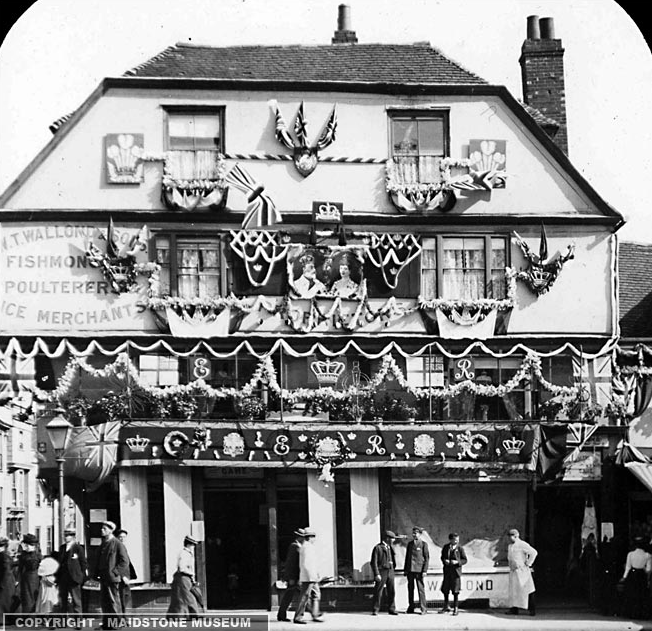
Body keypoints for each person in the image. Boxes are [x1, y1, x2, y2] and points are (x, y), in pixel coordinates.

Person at [94, 520, 129, 629]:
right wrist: (96, 573)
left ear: (110, 530)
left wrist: (115, 572)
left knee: (114, 602)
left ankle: (117, 624)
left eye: (104, 529)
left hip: (112, 578)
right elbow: (99, 560)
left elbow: (125, 562)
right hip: (103, 577)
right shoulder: (103, 543)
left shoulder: (117, 544)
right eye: (102, 528)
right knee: (105, 603)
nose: (102, 530)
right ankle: (107, 624)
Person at [167, 535, 202, 618]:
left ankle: (175, 615)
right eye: (193, 544)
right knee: (189, 597)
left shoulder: (187, 553)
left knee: (180, 598)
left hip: (185, 578)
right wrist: (192, 573)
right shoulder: (184, 553)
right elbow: (182, 568)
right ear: (189, 544)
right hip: (183, 578)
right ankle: (194, 614)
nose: (193, 546)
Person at [293, 528, 323, 624]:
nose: (315, 539)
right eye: (314, 537)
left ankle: (315, 614)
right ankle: (298, 617)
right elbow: (307, 564)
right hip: (309, 577)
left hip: (311, 576)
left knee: (316, 595)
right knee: (304, 597)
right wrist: (312, 576)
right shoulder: (307, 547)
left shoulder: (307, 546)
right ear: (310, 537)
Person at [56, 528, 88, 615]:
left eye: (68, 536)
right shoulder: (62, 548)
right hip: (63, 578)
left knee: (76, 600)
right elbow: (59, 562)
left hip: (74, 578)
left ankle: (78, 622)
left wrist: (81, 576)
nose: (65, 537)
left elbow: (83, 564)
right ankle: (62, 622)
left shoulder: (78, 548)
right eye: (65, 535)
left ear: (73, 537)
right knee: (62, 600)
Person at [507, 528, 537, 616]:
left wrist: (528, 563)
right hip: (513, 571)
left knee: (527, 590)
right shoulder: (510, 546)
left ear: (516, 536)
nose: (509, 538)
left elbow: (534, 552)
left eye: (511, 536)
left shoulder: (522, 544)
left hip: (522, 571)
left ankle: (532, 610)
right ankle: (513, 609)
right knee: (513, 591)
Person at [620, 536, 652, 619]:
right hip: (641, 575)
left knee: (632, 594)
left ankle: (631, 613)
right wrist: (647, 576)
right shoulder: (647, 555)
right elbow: (649, 569)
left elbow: (628, 567)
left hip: (632, 575)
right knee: (641, 595)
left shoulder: (630, 554)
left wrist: (624, 577)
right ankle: (641, 614)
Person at [277, 528, 305, 622]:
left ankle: (281, 614)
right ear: (300, 537)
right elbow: (291, 563)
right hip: (294, 576)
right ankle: (313, 612)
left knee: (291, 595)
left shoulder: (296, 545)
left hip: (295, 576)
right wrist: (291, 577)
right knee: (293, 595)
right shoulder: (295, 546)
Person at [370, 530, 398, 616]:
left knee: (391, 591)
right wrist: (377, 574)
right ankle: (376, 609)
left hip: (390, 571)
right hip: (382, 571)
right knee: (379, 591)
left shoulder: (390, 547)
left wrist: (393, 567)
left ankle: (392, 609)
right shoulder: (378, 548)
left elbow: (393, 559)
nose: (393, 540)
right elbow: (373, 562)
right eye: (392, 538)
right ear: (387, 538)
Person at [440, 532, 467, 616]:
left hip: (456, 572)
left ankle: (456, 607)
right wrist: (445, 561)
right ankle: (446, 606)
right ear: (450, 540)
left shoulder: (460, 549)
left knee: (455, 591)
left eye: (457, 539)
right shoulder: (446, 547)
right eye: (455, 539)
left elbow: (464, 560)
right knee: (445, 589)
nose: (457, 541)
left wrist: (457, 562)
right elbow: (442, 557)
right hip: (447, 571)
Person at [404, 526, 429, 615]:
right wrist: (405, 570)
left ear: (420, 534)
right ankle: (411, 607)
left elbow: (426, 558)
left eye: (416, 533)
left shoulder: (423, 544)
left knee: (420, 590)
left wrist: (425, 570)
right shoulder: (410, 544)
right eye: (413, 533)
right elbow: (407, 557)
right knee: (410, 589)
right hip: (410, 570)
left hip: (419, 570)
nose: (414, 535)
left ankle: (423, 608)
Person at [18, 533, 42, 613]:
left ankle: (32, 616)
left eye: (28, 545)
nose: (27, 547)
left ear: (34, 546)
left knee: (32, 597)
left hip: (34, 577)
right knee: (26, 597)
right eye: (26, 545)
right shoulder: (24, 555)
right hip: (26, 577)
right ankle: (27, 616)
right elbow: (20, 567)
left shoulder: (37, 555)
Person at [115, 529, 137, 616]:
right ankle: (123, 618)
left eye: (124, 537)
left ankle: (125, 617)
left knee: (126, 597)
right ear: (117, 538)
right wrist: (122, 576)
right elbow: (116, 564)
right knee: (121, 598)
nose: (122, 539)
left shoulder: (123, 548)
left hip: (126, 577)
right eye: (120, 537)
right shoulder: (116, 549)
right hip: (121, 578)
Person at [0, 537, 16, 615]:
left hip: (5, 579)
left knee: (4, 599)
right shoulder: (5, 556)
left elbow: (6, 569)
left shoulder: (3, 556)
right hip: (8, 579)